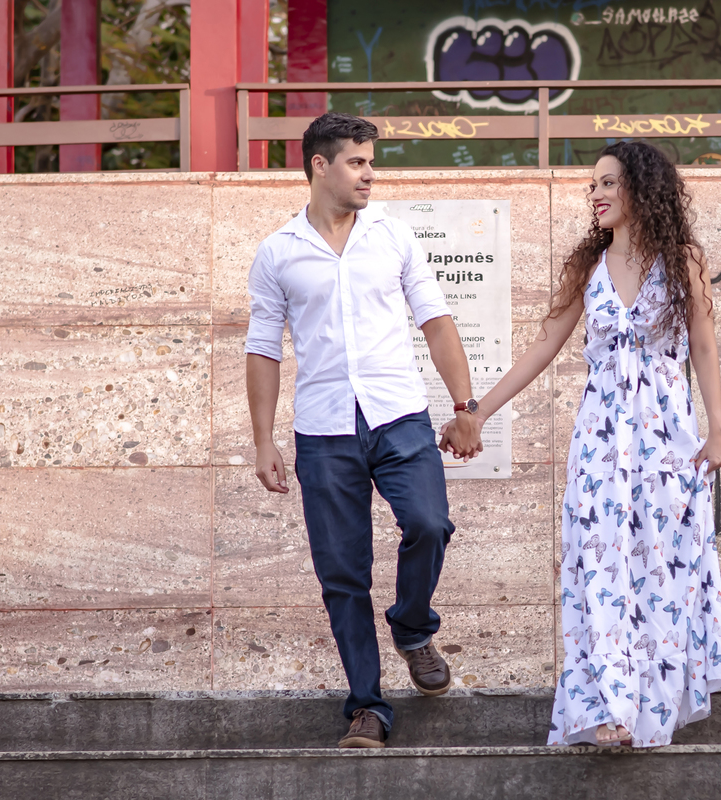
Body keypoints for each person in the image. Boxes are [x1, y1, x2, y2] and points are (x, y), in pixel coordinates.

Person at [454, 141, 721, 747]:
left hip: (666, 438)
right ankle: (610, 708)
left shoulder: (683, 258)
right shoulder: (588, 266)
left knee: (660, 566)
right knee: (602, 565)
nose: (596, 194)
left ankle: (650, 709)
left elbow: (704, 344)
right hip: (601, 443)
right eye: (593, 185)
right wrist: (477, 412)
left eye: (609, 182)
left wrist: (718, 429)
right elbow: (542, 348)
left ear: (642, 187)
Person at [244, 112, 484, 749]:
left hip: (399, 416)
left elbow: (436, 321)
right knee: (342, 575)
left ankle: (412, 625)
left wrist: (465, 405)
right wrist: (264, 439)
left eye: (372, 162)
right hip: (324, 431)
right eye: (357, 162)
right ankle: (368, 708)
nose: (369, 174)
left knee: (430, 524)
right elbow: (263, 348)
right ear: (320, 166)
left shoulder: (393, 236)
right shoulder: (278, 252)